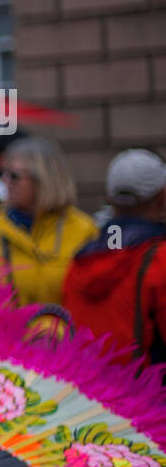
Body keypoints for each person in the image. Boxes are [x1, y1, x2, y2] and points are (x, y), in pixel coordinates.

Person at [63, 148, 166, 370]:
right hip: (150, 396)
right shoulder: (159, 259)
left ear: (110, 198)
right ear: (161, 196)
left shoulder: (80, 261)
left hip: (94, 395)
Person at [0, 136, 98, 306]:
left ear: (43, 178)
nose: (5, 182)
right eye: (4, 174)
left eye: (14, 176)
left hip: (67, 332)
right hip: (10, 332)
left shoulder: (84, 229)